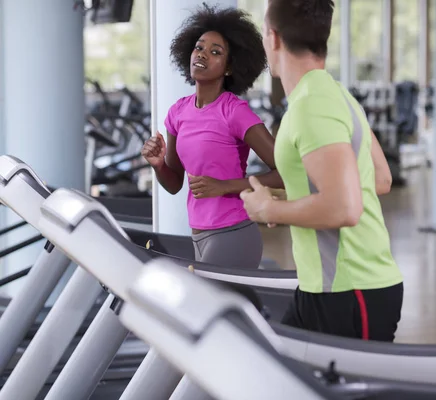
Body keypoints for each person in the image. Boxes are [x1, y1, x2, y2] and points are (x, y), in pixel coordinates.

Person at [240, 0, 404, 342]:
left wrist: (271, 209)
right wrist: (285, 197)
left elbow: (345, 206)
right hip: (334, 287)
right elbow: (380, 178)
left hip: (348, 291)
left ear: (272, 38)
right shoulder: (334, 94)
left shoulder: (312, 107)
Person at [141, 4, 283, 268]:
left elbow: (287, 173)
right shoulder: (178, 112)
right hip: (198, 235)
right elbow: (173, 184)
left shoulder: (234, 112)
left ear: (229, 68)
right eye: (199, 47)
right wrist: (159, 164)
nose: (202, 54)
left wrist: (225, 185)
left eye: (215, 52)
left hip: (233, 233)